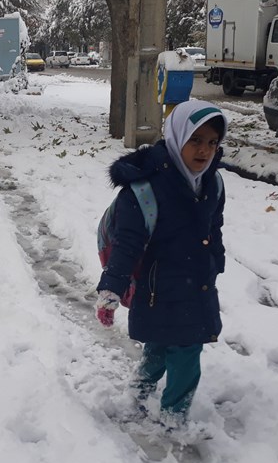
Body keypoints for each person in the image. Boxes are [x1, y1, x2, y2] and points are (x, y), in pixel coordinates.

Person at [96, 100, 228, 427]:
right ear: (176, 137)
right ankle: (174, 418)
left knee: (162, 342)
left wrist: (216, 259)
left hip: (196, 282)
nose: (205, 151)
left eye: (212, 142)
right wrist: (111, 288)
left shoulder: (213, 183)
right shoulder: (144, 191)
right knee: (185, 352)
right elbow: (127, 244)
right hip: (158, 287)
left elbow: (214, 225)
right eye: (195, 140)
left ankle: (140, 387)